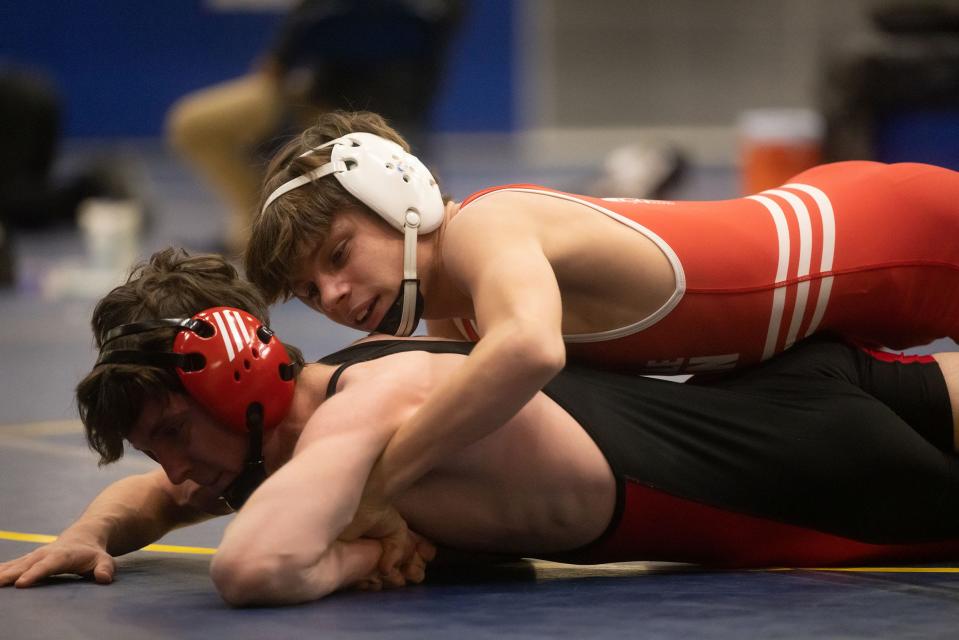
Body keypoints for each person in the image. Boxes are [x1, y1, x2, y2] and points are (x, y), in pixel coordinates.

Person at [4, 247, 959, 607]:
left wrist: (356, 561)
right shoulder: (281, 438)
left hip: (812, 476)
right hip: (788, 395)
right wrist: (95, 531)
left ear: (236, 380)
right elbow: (160, 498)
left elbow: (253, 568)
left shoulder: (359, 416)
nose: (173, 474)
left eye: (170, 433)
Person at [244, 109, 959, 545]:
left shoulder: (485, 227)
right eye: (310, 290)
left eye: (338, 255)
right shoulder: (453, 310)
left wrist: (378, 485)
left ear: (397, 194)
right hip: (838, 292)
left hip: (905, 237)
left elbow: (529, 350)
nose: (334, 296)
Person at [166, 1, 464, 254]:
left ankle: (266, 226)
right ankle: (258, 225)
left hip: (341, 104)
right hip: (331, 99)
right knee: (194, 124)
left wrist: (280, 67)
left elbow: (277, 63)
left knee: (191, 123)